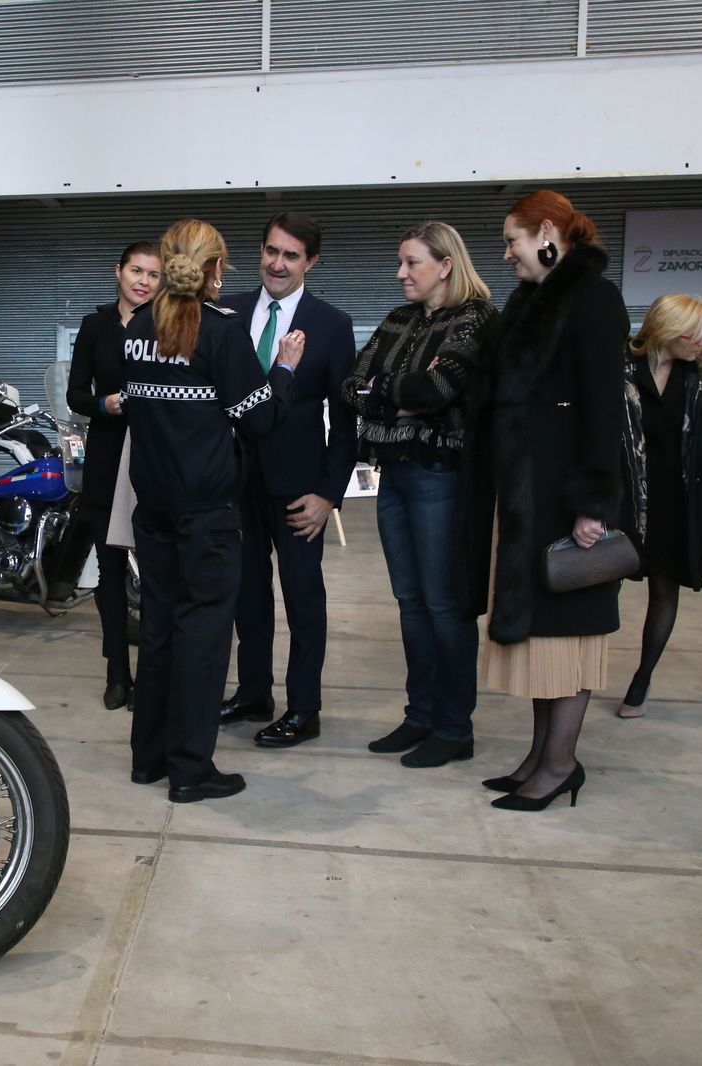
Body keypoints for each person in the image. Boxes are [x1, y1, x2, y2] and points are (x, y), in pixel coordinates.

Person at [124, 218, 302, 802]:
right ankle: (191, 771)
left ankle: (148, 757)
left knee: (157, 632)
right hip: (206, 515)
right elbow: (260, 421)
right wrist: (283, 371)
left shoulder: (137, 326)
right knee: (201, 638)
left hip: (152, 507)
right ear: (215, 269)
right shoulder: (222, 332)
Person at [464, 189, 630, 811]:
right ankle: (540, 755)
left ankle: (560, 765)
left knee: (570, 632)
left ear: (549, 232)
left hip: (566, 497)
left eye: (512, 240)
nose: (506, 254)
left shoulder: (591, 298)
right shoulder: (532, 299)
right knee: (541, 639)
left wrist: (594, 502)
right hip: (528, 493)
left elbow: (603, 408)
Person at [343, 222, 496, 767]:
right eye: (401, 262)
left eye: (412, 263)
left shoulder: (475, 318)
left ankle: (454, 727)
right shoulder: (399, 319)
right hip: (394, 474)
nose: (400, 273)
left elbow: (438, 388)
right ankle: (421, 716)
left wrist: (391, 393)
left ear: (445, 265)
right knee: (410, 603)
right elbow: (352, 384)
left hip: (441, 476)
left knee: (443, 604)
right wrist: (395, 397)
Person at [218, 212, 357, 749]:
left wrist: (328, 494)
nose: (278, 263)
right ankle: (254, 691)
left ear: (311, 262)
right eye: (271, 251)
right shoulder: (226, 311)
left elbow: (346, 422)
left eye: (291, 255)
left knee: (303, 598)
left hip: (300, 487)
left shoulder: (331, 324)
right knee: (246, 595)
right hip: (232, 481)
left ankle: (305, 707)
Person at [616, 294, 702, 718]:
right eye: (695, 335)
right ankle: (580, 674)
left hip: (677, 503)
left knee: (664, 590)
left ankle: (642, 678)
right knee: (600, 582)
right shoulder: (620, 368)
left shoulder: (700, 380)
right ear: (668, 330)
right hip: (624, 497)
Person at [67, 241, 162, 709]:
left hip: (154, 454)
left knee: (157, 571)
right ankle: (117, 674)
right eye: (136, 271)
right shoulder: (95, 324)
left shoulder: (167, 323)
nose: (143, 281)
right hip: (107, 453)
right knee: (108, 571)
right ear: (118, 271)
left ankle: (154, 673)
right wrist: (103, 404)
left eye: (153, 274)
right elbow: (74, 395)